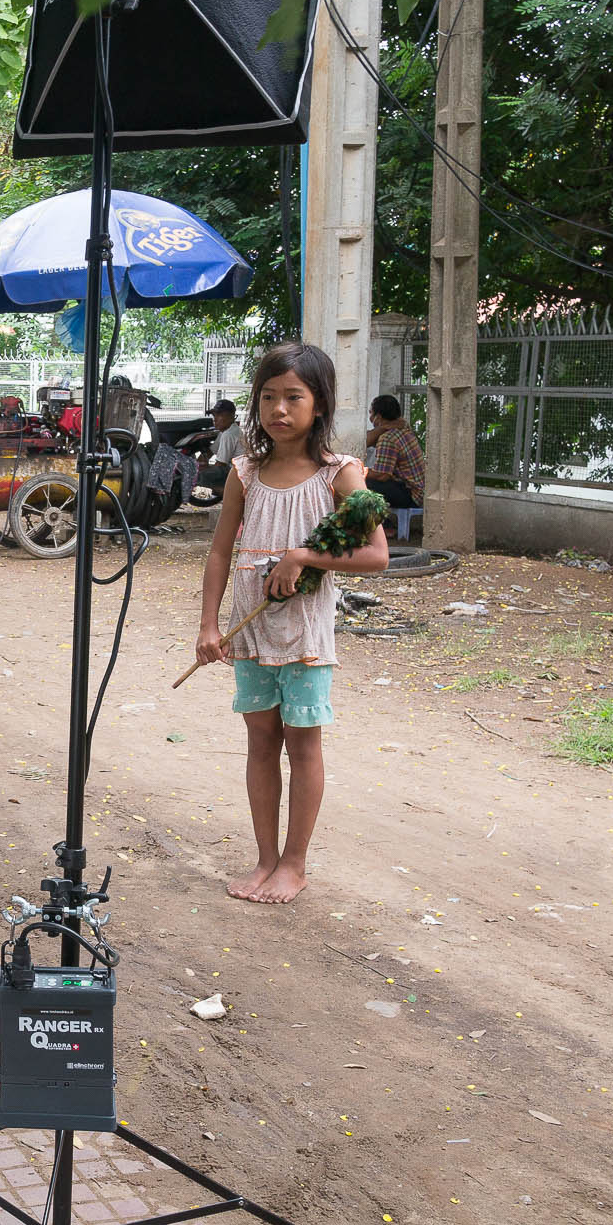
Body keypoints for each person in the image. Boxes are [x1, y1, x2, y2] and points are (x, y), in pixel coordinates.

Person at [192, 342, 387, 906]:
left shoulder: (340, 475)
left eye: (293, 398)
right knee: (259, 743)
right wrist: (209, 625)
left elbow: (377, 555)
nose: (279, 409)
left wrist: (304, 557)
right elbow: (220, 553)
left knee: (303, 746)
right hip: (248, 633)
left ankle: (295, 864)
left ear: (319, 404)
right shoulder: (244, 472)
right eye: (268, 397)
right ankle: (264, 859)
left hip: (304, 635)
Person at [364, 392, 425, 511]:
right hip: (418, 492)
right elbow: (366, 440)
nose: (370, 418)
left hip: (410, 495)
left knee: (362, 483)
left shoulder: (387, 438)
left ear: (378, 417)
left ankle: (381, 522)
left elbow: (382, 475)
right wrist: (383, 427)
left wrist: (360, 471)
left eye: (371, 413)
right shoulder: (403, 429)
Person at [192, 399, 243, 497]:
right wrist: (200, 463)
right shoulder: (224, 431)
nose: (215, 419)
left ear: (231, 416)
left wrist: (201, 469)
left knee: (199, 477)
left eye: (219, 415)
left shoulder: (229, 434)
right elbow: (210, 451)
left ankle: (232, 495)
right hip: (232, 469)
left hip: (236, 473)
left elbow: (220, 464)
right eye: (214, 415)